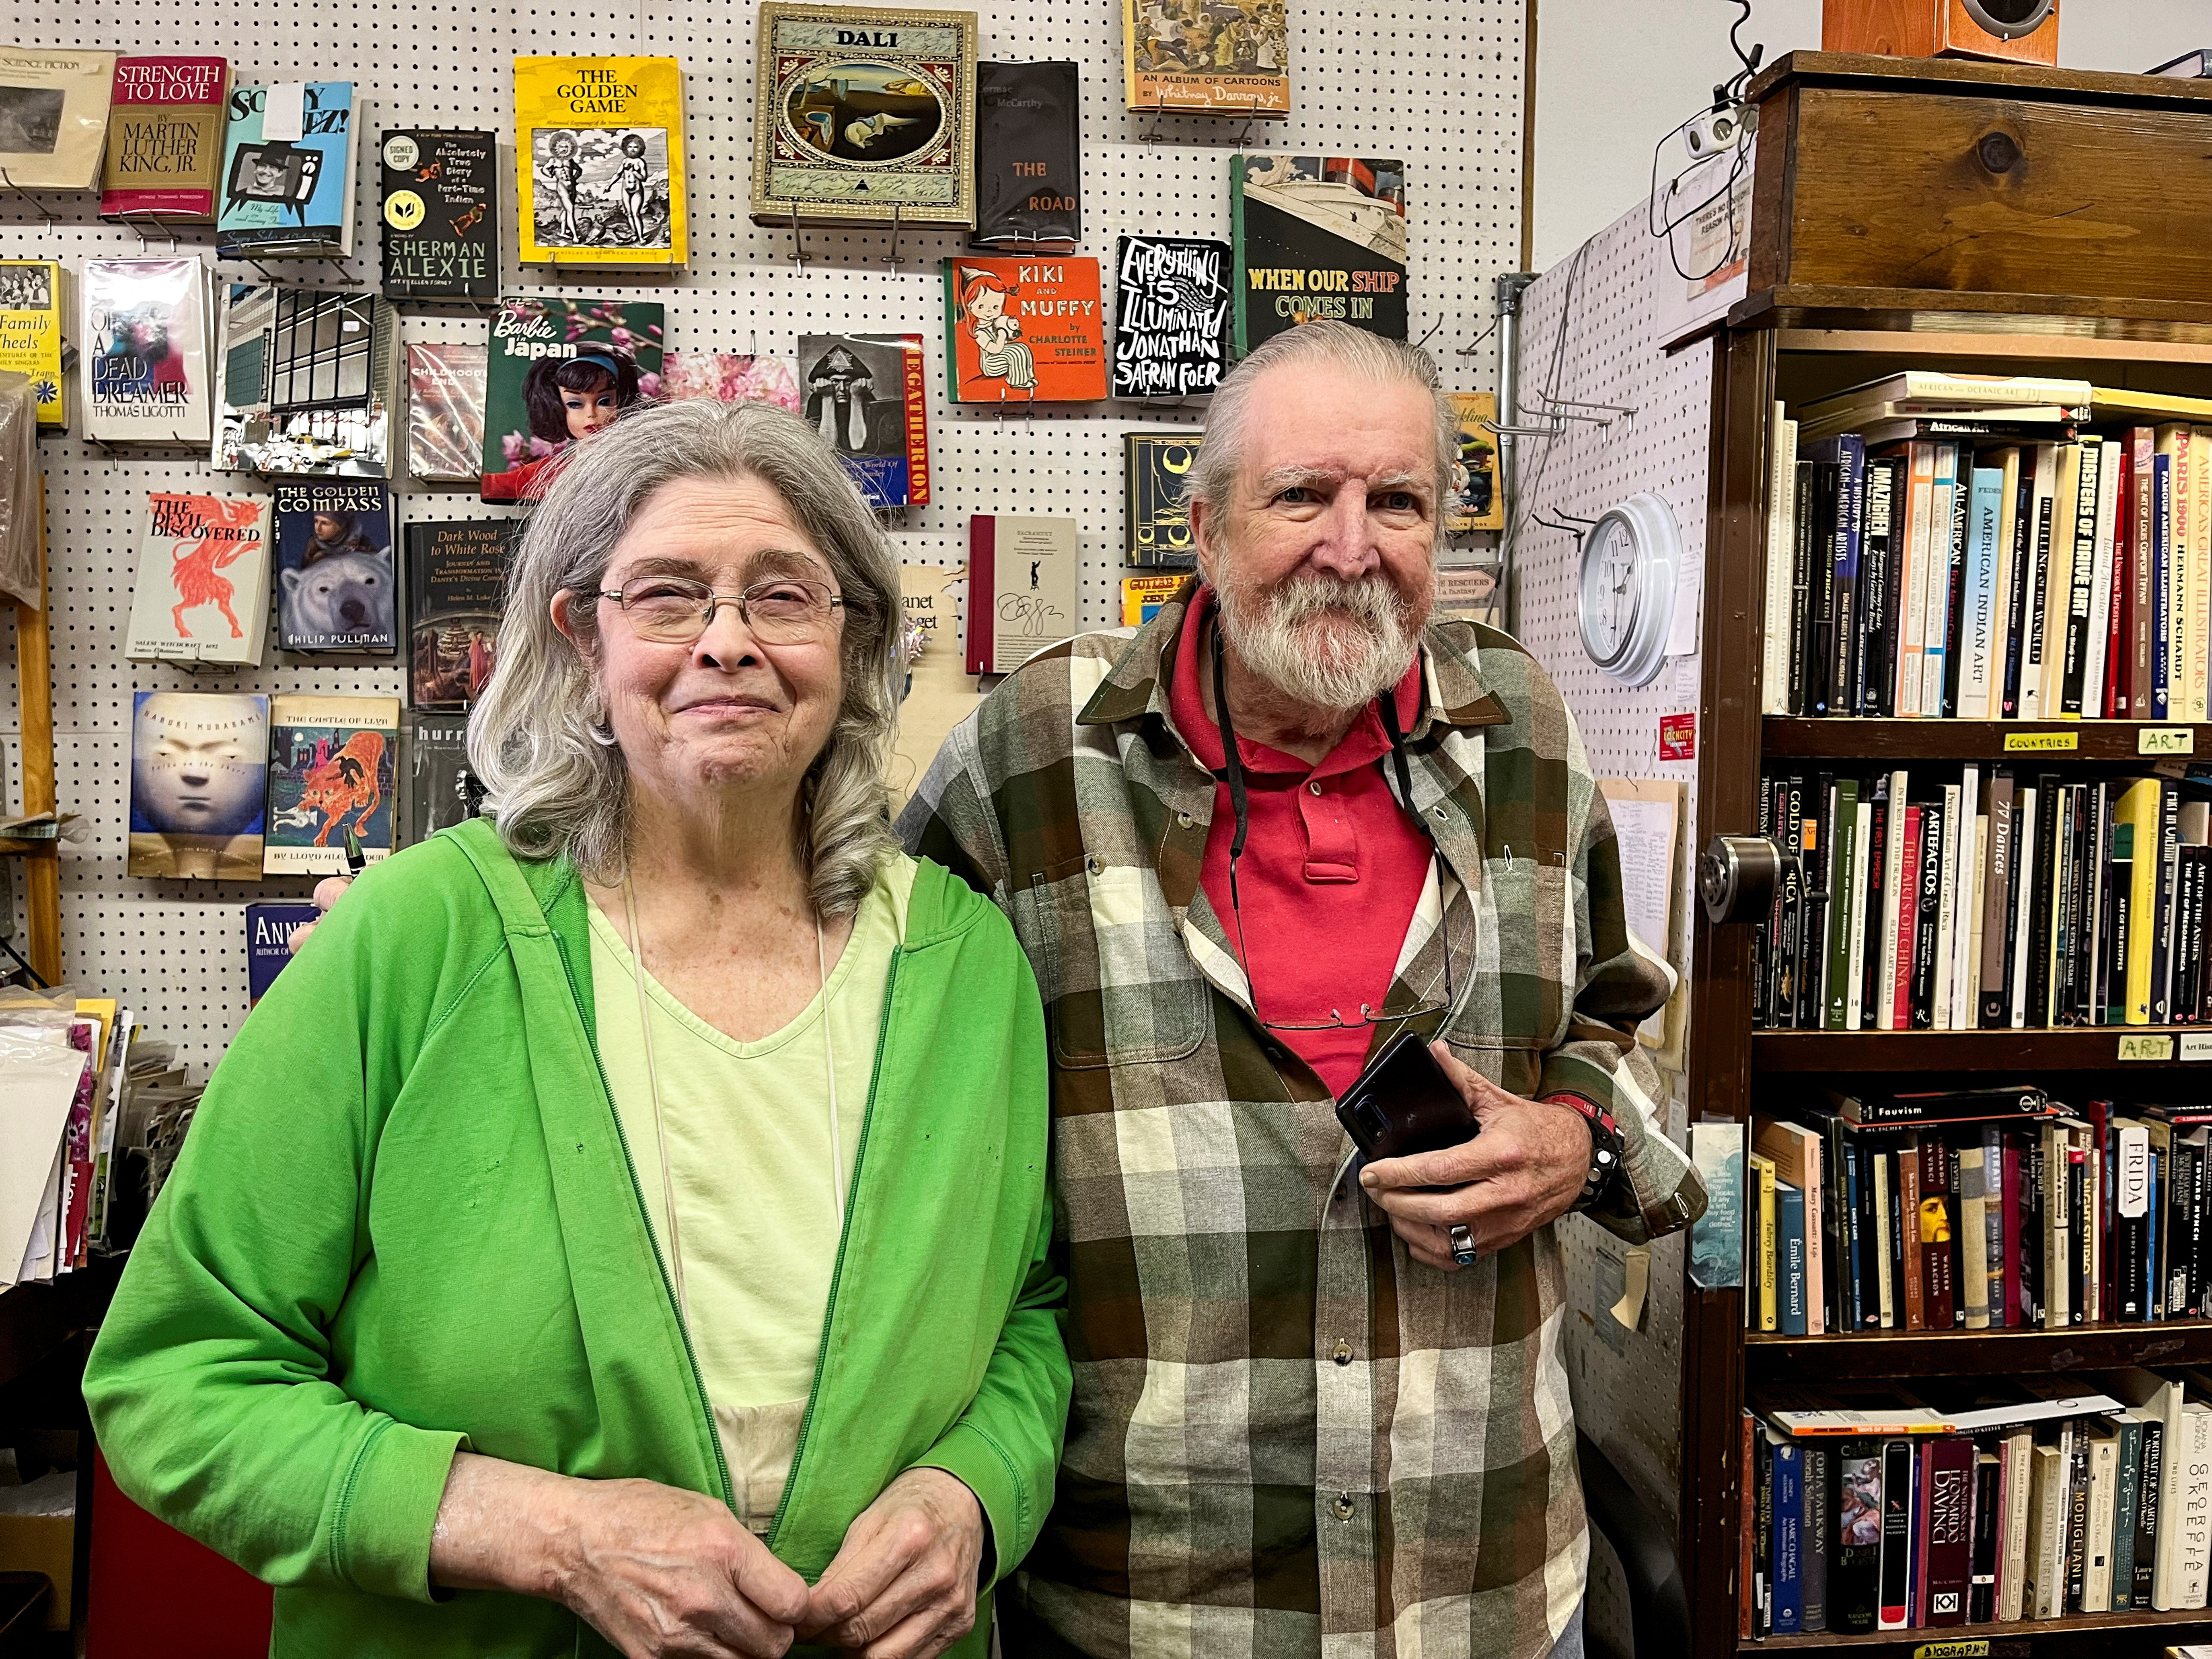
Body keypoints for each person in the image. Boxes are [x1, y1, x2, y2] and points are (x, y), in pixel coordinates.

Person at [86, 399, 1071, 1659]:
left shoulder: (962, 960)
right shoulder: (418, 935)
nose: (727, 642)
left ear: (853, 638)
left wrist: (974, 1492)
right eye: (667, 594)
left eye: (784, 595)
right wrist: (547, 1532)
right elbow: (175, 1378)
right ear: (581, 637)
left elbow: (1030, 1315)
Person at [900, 320, 1705, 1659]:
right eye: (1300, 495)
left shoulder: (1521, 722)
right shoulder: (1031, 756)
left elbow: (1618, 1015)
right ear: (1205, 529)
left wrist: (1578, 1137)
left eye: (1395, 500)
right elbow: (891, 1101)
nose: (1352, 543)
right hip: (1155, 1602)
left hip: (1484, 1583)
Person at [480, 348, 640, 502]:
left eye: (604, 402)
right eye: (575, 404)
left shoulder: (638, 465)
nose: (591, 414)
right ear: (557, 407)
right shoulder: (547, 473)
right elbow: (495, 485)